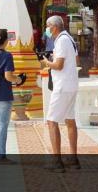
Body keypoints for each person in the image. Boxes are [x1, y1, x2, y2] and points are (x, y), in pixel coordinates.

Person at [40, 15, 80, 172]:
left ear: (54, 27)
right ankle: (73, 158)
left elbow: (58, 65)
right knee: (70, 120)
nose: (47, 29)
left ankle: (56, 161)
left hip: (62, 86)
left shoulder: (62, 40)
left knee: (52, 121)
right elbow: (75, 61)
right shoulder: (69, 39)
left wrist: (46, 62)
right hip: (71, 85)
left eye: (47, 26)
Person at [0, 29, 25, 164]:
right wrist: (19, 80)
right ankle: (1, 156)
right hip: (4, 95)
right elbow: (8, 76)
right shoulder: (7, 56)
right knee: (2, 125)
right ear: (6, 41)